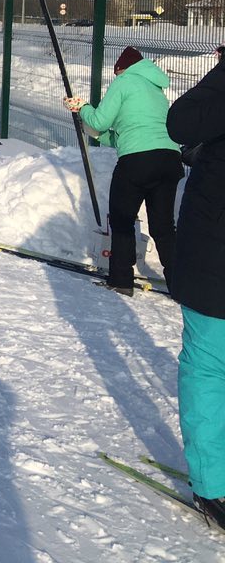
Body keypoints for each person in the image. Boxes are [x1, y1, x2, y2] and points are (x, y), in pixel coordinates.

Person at [65, 45, 182, 295]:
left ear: (120, 69)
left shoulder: (124, 81)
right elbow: (124, 135)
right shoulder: (156, 89)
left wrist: (82, 107)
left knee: (122, 219)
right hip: (169, 160)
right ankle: (181, 286)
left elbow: (99, 121)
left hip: (137, 162)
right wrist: (100, 133)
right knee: (163, 226)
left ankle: (121, 280)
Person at [166, 56, 225, 528]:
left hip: (213, 259)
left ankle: (212, 484)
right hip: (212, 258)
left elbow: (181, 122)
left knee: (207, 366)